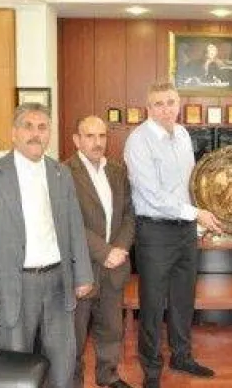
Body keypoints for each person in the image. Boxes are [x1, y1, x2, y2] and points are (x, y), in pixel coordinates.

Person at [0, 102, 94, 388]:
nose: (36, 134)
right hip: (12, 287)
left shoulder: (61, 173)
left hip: (58, 282)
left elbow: (74, 227)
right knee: (14, 369)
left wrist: (83, 274)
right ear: (14, 133)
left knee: (64, 363)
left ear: (49, 133)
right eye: (28, 127)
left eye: (42, 127)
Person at [123, 82, 223, 388]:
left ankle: (182, 356)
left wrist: (199, 222)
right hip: (155, 231)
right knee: (153, 304)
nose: (166, 109)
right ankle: (151, 369)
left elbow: (190, 186)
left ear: (178, 105)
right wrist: (196, 214)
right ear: (148, 108)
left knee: (183, 298)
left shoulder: (182, 135)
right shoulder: (138, 141)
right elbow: (152, 195)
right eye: (159, 104)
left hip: (185, 231)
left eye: (170, 102)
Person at [65, 115, 135, 388]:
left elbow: (129, 214)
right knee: (74, 334)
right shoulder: (64, 173)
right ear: (77, 140)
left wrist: (121, 248)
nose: (97, 142)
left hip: (114, 267)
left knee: (112, 328)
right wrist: (104, 251)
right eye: (90, 136)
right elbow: (68, 222)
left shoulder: (117, 170)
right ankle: (73, 381)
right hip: (81, 268)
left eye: (102, 136)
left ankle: (109, 375)